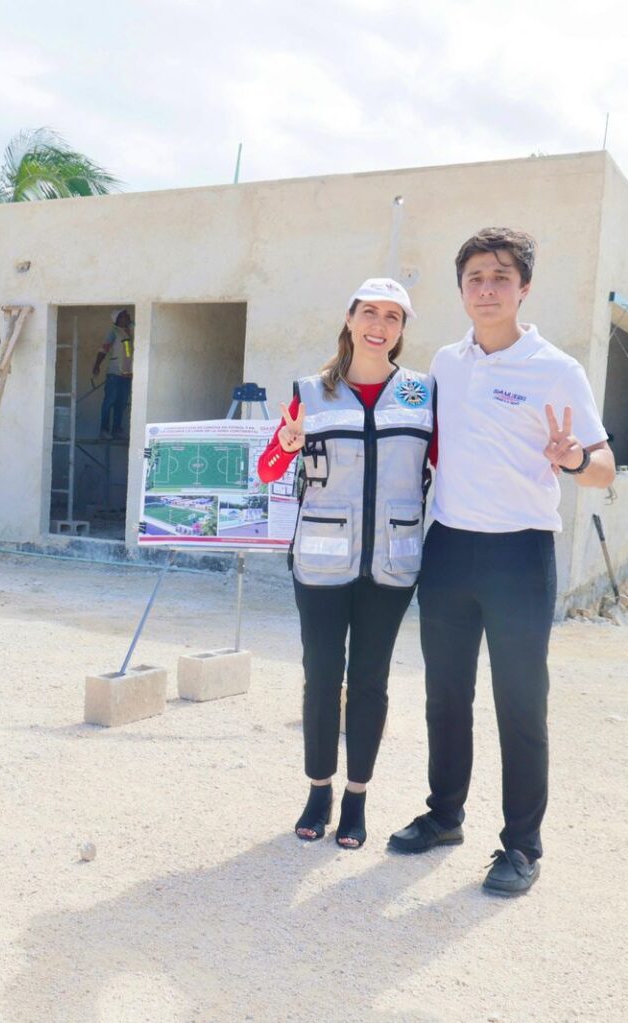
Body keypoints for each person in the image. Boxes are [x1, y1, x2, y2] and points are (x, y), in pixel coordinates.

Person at [385, 228, 616, 895]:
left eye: (500, 277)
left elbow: (602, 466)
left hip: (520, 553)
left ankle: (521, 846)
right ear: (461, 290)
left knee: (520, 702)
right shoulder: (445, 364)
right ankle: (443, 815)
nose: (486, 290)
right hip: (450, 547)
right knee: (445, 695)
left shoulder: (556, 369)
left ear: (524, 288)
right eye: (475, 278)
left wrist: (572, 458)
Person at [258, 278, 434, 850]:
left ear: (402, 329)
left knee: (370, 684)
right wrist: (285, 442)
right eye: (369, 313)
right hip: (321, 564)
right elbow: (266, 469)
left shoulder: (421, 395)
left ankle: (357, 797)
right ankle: (318, 791)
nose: (379, 325)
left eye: (392, 316)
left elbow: (451, 465)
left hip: (392, 563)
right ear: (350, 318)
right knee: (321, 682)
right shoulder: (310, 392)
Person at [91, 309, 134, 441]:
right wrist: (97, 365)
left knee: (121, 404)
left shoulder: (131, 331)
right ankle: (104, 430)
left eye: (128, 316)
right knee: (109, 401)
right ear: (118, 319)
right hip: (114, 374)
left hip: (127, 375)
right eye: (124, 316)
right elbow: (104, 348)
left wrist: (131, 325)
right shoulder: (114, 331)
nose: (128, 317)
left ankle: (116, 430)